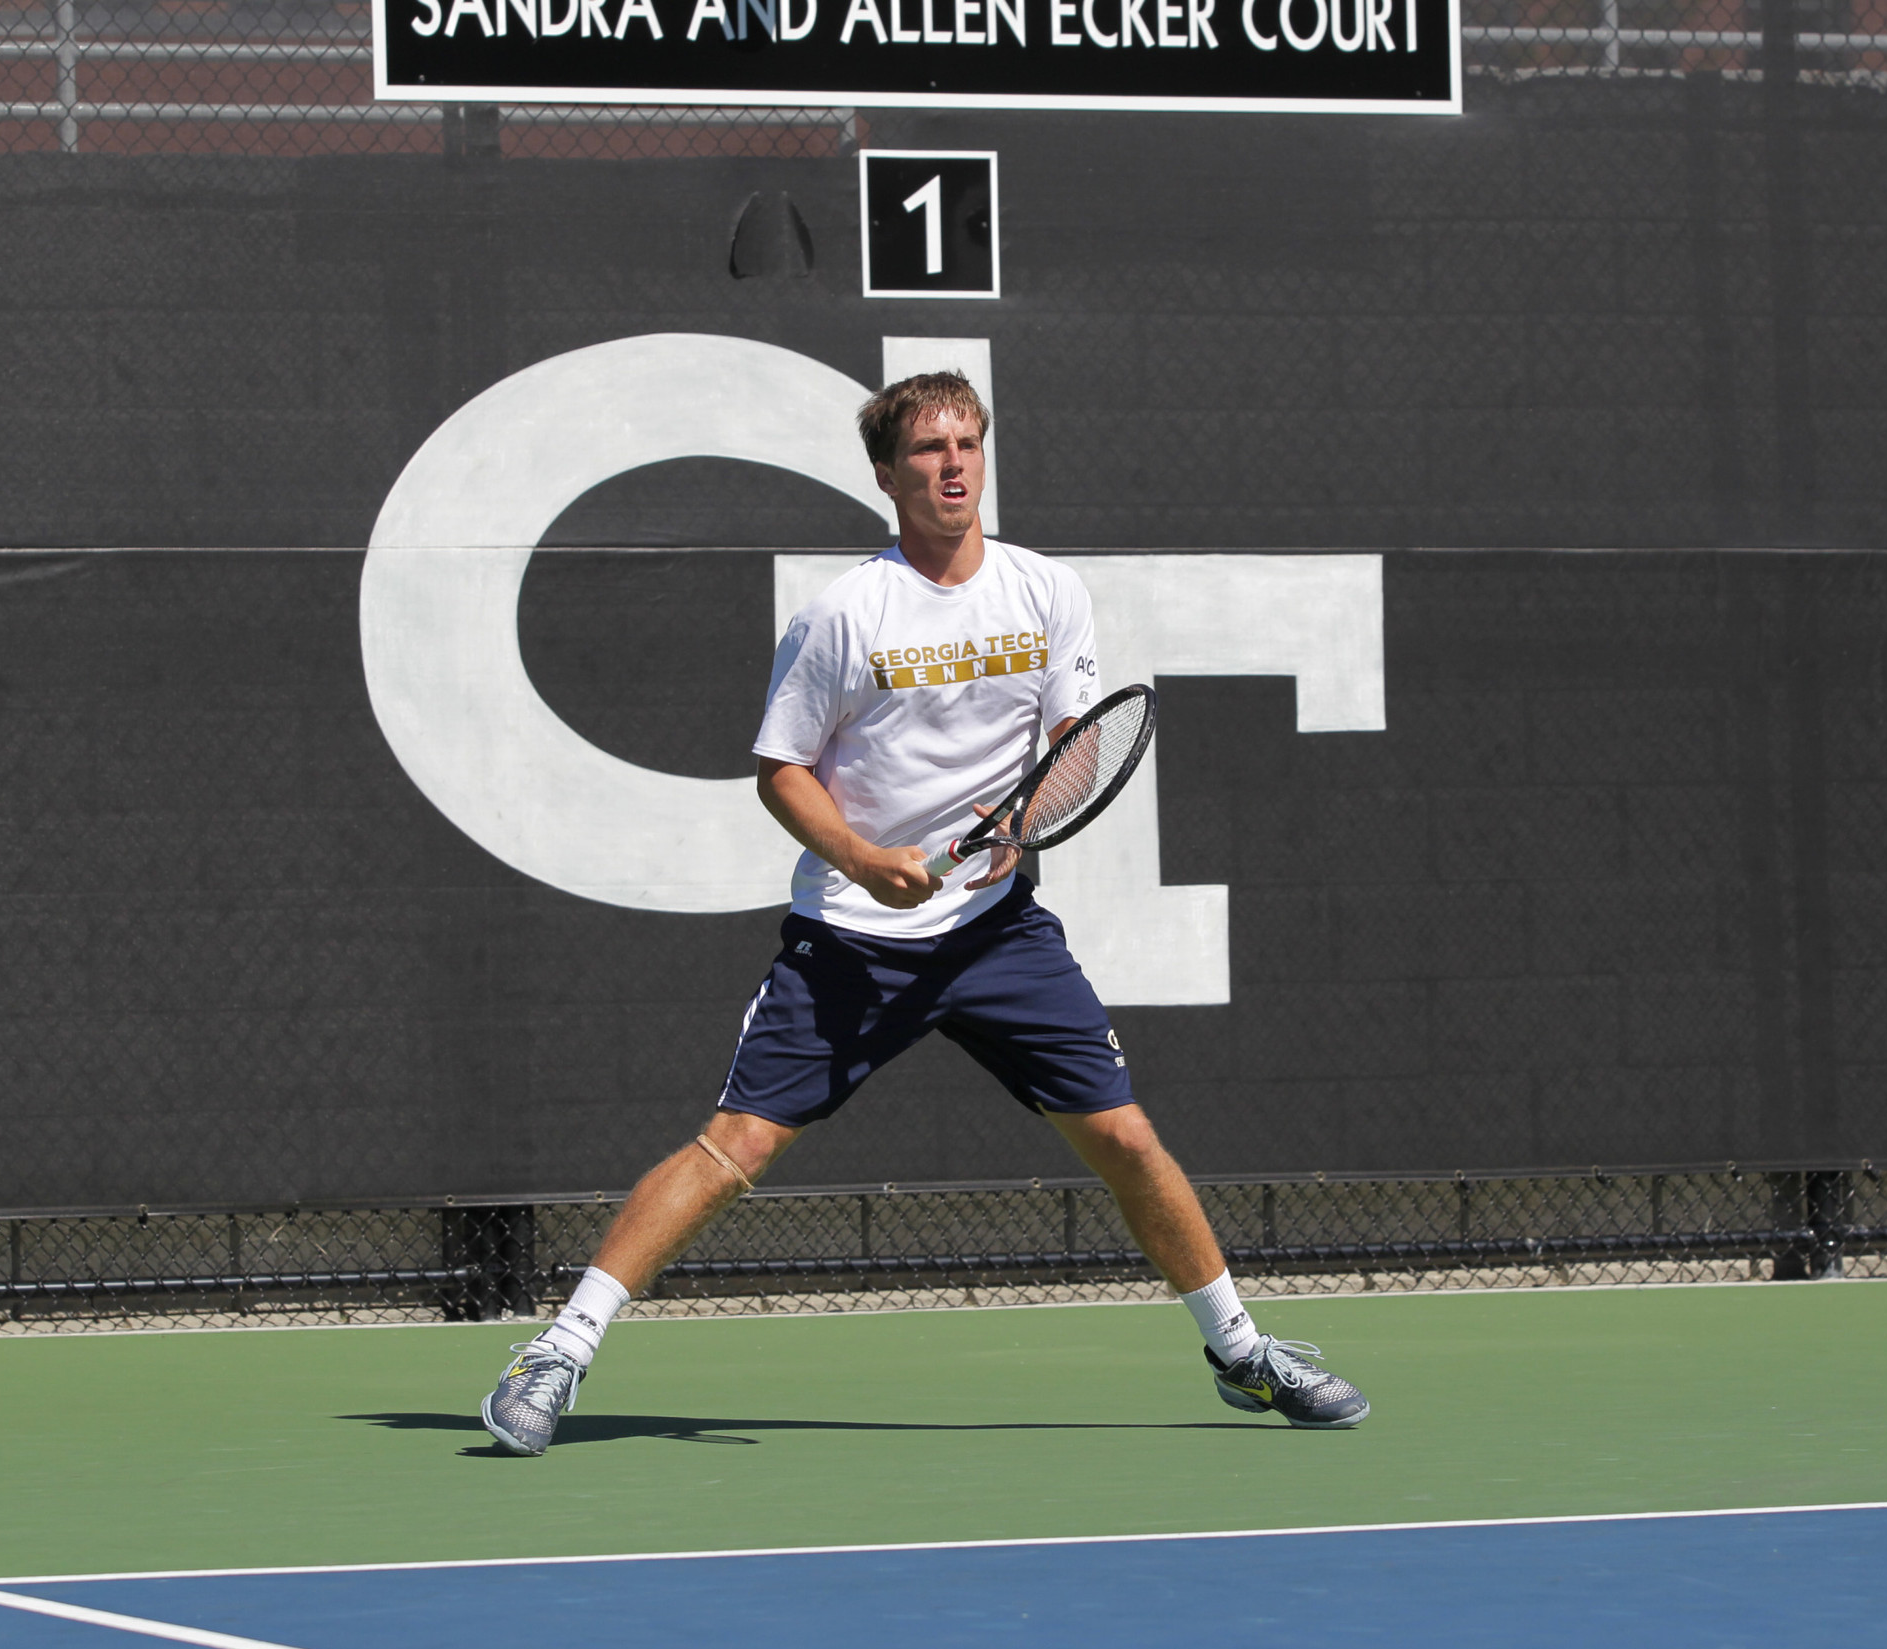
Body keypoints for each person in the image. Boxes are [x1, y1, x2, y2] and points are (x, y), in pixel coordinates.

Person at [479, 371, 1367, 1456]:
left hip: (996, 931)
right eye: (928, 450)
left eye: (967, 443)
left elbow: (1075, 740)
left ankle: (1241, 1352)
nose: (953, 465)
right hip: (852, 939)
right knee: (734, 1146)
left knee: (1125, 1135)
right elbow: (782, 768)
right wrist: (863, 854)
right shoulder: (844, 613)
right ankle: (558, 1351)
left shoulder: (1046, 593)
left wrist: (1018, 826)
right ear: (888, 475)